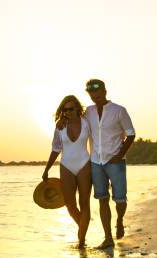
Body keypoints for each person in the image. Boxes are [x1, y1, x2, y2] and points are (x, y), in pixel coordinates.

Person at [58, 79, 135, 249]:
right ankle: (108, 238)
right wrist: (63, 120)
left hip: (115, 161)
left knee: (120, 199)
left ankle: (120, 220)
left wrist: (120, 154)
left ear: (105, 91)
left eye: (97, 91)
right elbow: (74, 118)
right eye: (91, 93)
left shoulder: (119, 111)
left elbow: (131, 134)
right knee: (102, 200)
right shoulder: (88, 113)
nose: (95, 95)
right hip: (95, 162)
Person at [42, 95, 92, 249]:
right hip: (66, 166)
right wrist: (46, 169)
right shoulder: (60, 126)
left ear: (77, 108)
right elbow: (56, 148)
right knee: (70, 205)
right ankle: (83, 225)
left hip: (84, 164)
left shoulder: (86, 122)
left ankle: (81, 240)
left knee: (85, 204)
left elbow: (98, 140)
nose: (68, 112)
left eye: (70, 109)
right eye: (65, 110)